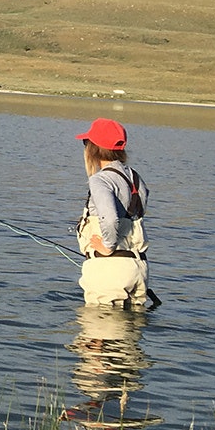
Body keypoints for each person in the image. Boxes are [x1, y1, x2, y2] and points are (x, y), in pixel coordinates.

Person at [74, 118, 152, 308]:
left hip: (108, 270)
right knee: (128, 335)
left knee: (97, 331)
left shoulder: (100, 180)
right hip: (138, 269)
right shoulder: (135, 178)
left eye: (86, 143)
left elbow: (109, 219)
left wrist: (107, 246)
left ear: (93, 148)